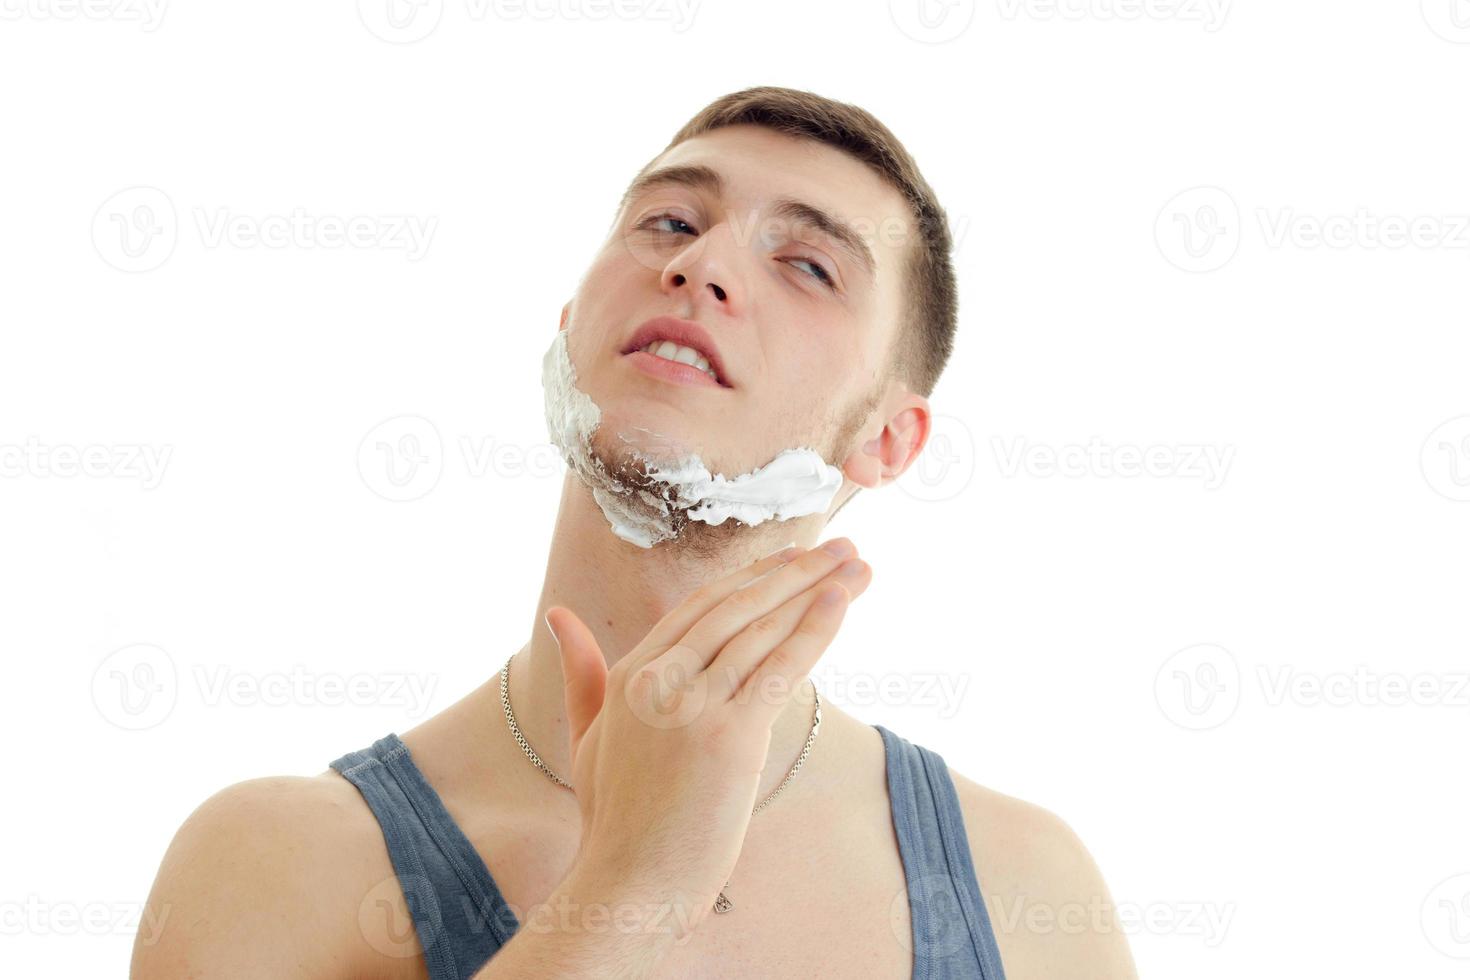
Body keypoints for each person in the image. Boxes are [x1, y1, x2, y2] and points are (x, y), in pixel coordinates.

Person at [131, 85, 1138, 979]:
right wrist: (630, 889)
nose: (701, 266)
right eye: (668, 220)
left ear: (888, 436)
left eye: (808, 265)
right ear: (570, 323)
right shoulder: (271, 864)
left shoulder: (1027, 897)